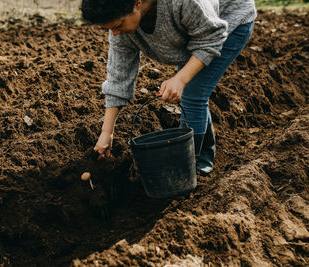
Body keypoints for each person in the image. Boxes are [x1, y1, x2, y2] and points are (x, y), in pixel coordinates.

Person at [81, 0, 256, 175]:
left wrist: (180, 79)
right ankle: (203, 153)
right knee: (192, 92)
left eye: (118, 25)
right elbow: (118, 78)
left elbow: (211, 37)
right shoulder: (122, 31)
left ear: (137, 4)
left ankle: (191, 166)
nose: (116, 33)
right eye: (110, 29)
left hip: (229, 20)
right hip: (195, 31)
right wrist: (107, 132)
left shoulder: (182, 3)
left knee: (193, 94)